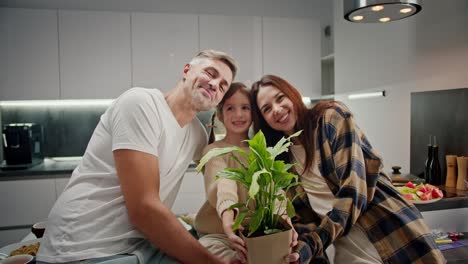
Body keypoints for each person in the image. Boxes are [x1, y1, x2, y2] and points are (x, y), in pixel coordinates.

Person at [36, 50, 239, 264]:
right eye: (210, 73)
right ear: (186, 70)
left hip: (139, 247)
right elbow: (144, 208)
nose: (215, 84)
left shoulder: (197, 133)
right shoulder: (141, 103)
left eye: (223, 86)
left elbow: (222, 174)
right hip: (83, 248)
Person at [250, 74, 446, 264]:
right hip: (345, 247)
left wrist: (313, 242)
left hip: (389, 232)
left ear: (292, 94)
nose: (276, 109)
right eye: (266, 109)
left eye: (280, 98)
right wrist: (302, 251)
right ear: (263, 120)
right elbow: (304, 218)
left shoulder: (330, 119)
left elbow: (353, 193)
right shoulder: (283, 159)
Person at [194, 82, 300, 264]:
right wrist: (229, 220)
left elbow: (274, 191)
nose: (238, 114)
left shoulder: (261, 150)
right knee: (206, 248)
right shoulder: (214, 150)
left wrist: (285, 223)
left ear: (253, 114)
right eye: (230, 108)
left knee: (286, 254)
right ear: (219, 115)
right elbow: (224, 182)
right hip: (220, 233)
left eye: (245, 107)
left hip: (257, 233)